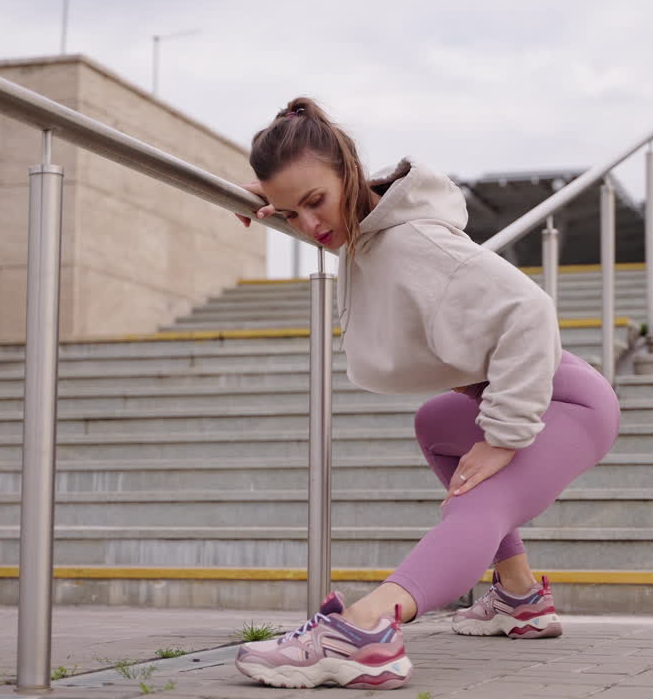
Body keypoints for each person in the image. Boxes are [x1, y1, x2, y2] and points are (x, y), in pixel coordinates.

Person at [229, 97, 621, 690]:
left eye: (315, 201)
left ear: (349, 173)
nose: (309, 226)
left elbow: (530, 309)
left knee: (481, 500)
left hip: (567, 400)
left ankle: (364, 630)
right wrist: (274, 208)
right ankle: (518, 597)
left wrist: (504, 435)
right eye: (291, 215)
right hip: (537, 388)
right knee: (436, 423)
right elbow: (343, 231)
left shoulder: (415, 245)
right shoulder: (369, 235)